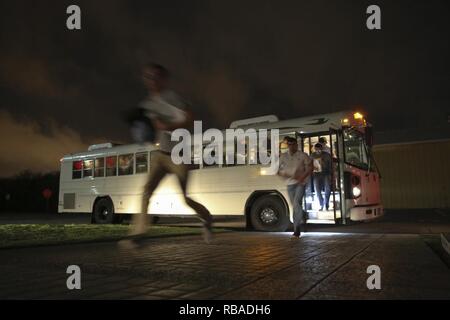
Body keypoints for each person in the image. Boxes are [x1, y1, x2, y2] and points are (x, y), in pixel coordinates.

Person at [123, 63, 213, 247]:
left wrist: (167, 126)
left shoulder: (171, 98)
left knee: (185, 198)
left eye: (156, 77)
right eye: (148, 77)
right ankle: (138, 234)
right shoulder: (146, 104)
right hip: (160, 154)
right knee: (146, 190)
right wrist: (141, 129)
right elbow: (145, 131)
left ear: (164, 79)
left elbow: (189, 119)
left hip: (179, 154)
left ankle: (207, 218)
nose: (152, 80)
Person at [278, 137, 313, 238]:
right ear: (288, 145)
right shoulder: (283, 156)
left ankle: (296, 229)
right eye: (290, 144)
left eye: (294, 144)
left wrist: (303, 176)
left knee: (297, 203)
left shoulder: (302, 155)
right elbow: (278, 170)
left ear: (296, 145)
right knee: (295, 205)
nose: (292, 146)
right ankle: (300, 219)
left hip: (300, 183)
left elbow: (310, 167)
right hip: (289, 184)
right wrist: (284, 174)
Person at [311, 143, 332, 211]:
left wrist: (331, 173)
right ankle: (321, 204)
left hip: (326, 173)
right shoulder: (312, 155)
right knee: (317, 190)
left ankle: (326, 203)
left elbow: (331, 164)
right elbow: (309, 164)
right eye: (316, 149)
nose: (318, 150)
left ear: (322, 149)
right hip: (316, 174)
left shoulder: (326, 155)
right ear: (315, 149)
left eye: (319, 149)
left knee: (327, 189)